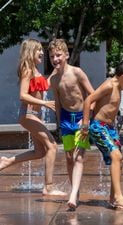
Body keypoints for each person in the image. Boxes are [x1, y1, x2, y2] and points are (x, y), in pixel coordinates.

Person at [0, 39, 65, 196]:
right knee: (52, 146)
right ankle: (48, 187)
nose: (42, 53)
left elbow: (42, 86)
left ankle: (7, 161)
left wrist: (56, 73)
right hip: (28, 115)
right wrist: (44, 103)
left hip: (32, 116)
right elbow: (22, 95)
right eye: (39, 50)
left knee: (40, 152)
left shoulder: (35, 70)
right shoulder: (27, 70)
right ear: (30, 52)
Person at [80, 60, 123, 210]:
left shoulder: (118, 86)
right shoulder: (109, 85)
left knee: (120, 160)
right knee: (116, 157)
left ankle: (113, 199)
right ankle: (118, 197)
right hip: (99, 127)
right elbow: (88, 100)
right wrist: (85, 125)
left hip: (110, 129)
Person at [48, 39, 95, 210]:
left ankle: (73, 194)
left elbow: (92, 96)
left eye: (58, 55)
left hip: (81, 118)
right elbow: (58, 103)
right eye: (52, 56)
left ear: (66, 55)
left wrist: (86, 119)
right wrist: (60, 124)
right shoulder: (53, 80)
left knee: (79, 157)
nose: (55, 59)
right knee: (69, 157)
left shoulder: (77, 73)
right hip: (67, 120)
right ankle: (76, 189)